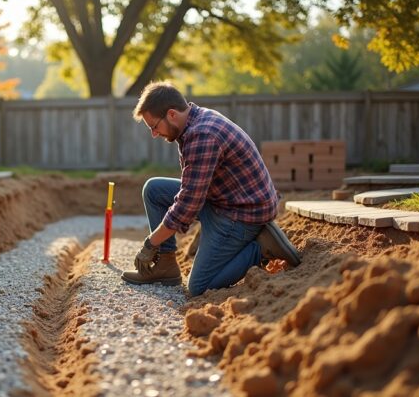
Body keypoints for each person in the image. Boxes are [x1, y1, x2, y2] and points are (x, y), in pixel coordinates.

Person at [124, 81, 301, 296]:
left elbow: (187, 205)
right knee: (154, 190)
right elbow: (193, 191)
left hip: (243, 215)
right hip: (225, 199)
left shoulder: (202, 135)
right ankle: (166, 267)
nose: (154, 134)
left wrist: (150, 244)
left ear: (171, 114)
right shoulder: (196, 118)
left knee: (199, 286)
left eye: (154, 126)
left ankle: (259, 249)